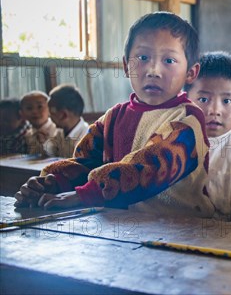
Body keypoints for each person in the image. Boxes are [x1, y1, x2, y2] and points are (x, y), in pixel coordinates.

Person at [14, 12, 213, 217]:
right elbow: (85, 161)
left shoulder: (188, 119)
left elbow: (149, 167)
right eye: (143, 58)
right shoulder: (114, 117)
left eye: (169, 60)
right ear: (126, 66)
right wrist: (53, 183)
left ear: (191, 72)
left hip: (185, 232)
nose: (154, 70)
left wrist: (85, 195)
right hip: (121, 229)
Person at [185, 51, 231, 221]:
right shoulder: (173, 139)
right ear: (186, 100)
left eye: (226, 101)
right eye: (203, 99)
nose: (215, 110)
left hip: (224, 241)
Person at [43, 84, 90, 158]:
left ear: (63, 115)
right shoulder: (59, 132)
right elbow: (49, 150)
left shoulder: (86, 137)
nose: (49, 117)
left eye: (51, 114)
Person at [20, 91, 58, 155]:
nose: (34, 111)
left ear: (50, 109)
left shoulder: (58, 130)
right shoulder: (27, 135)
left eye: (40, 106)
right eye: (29, 108)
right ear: (22, 113)